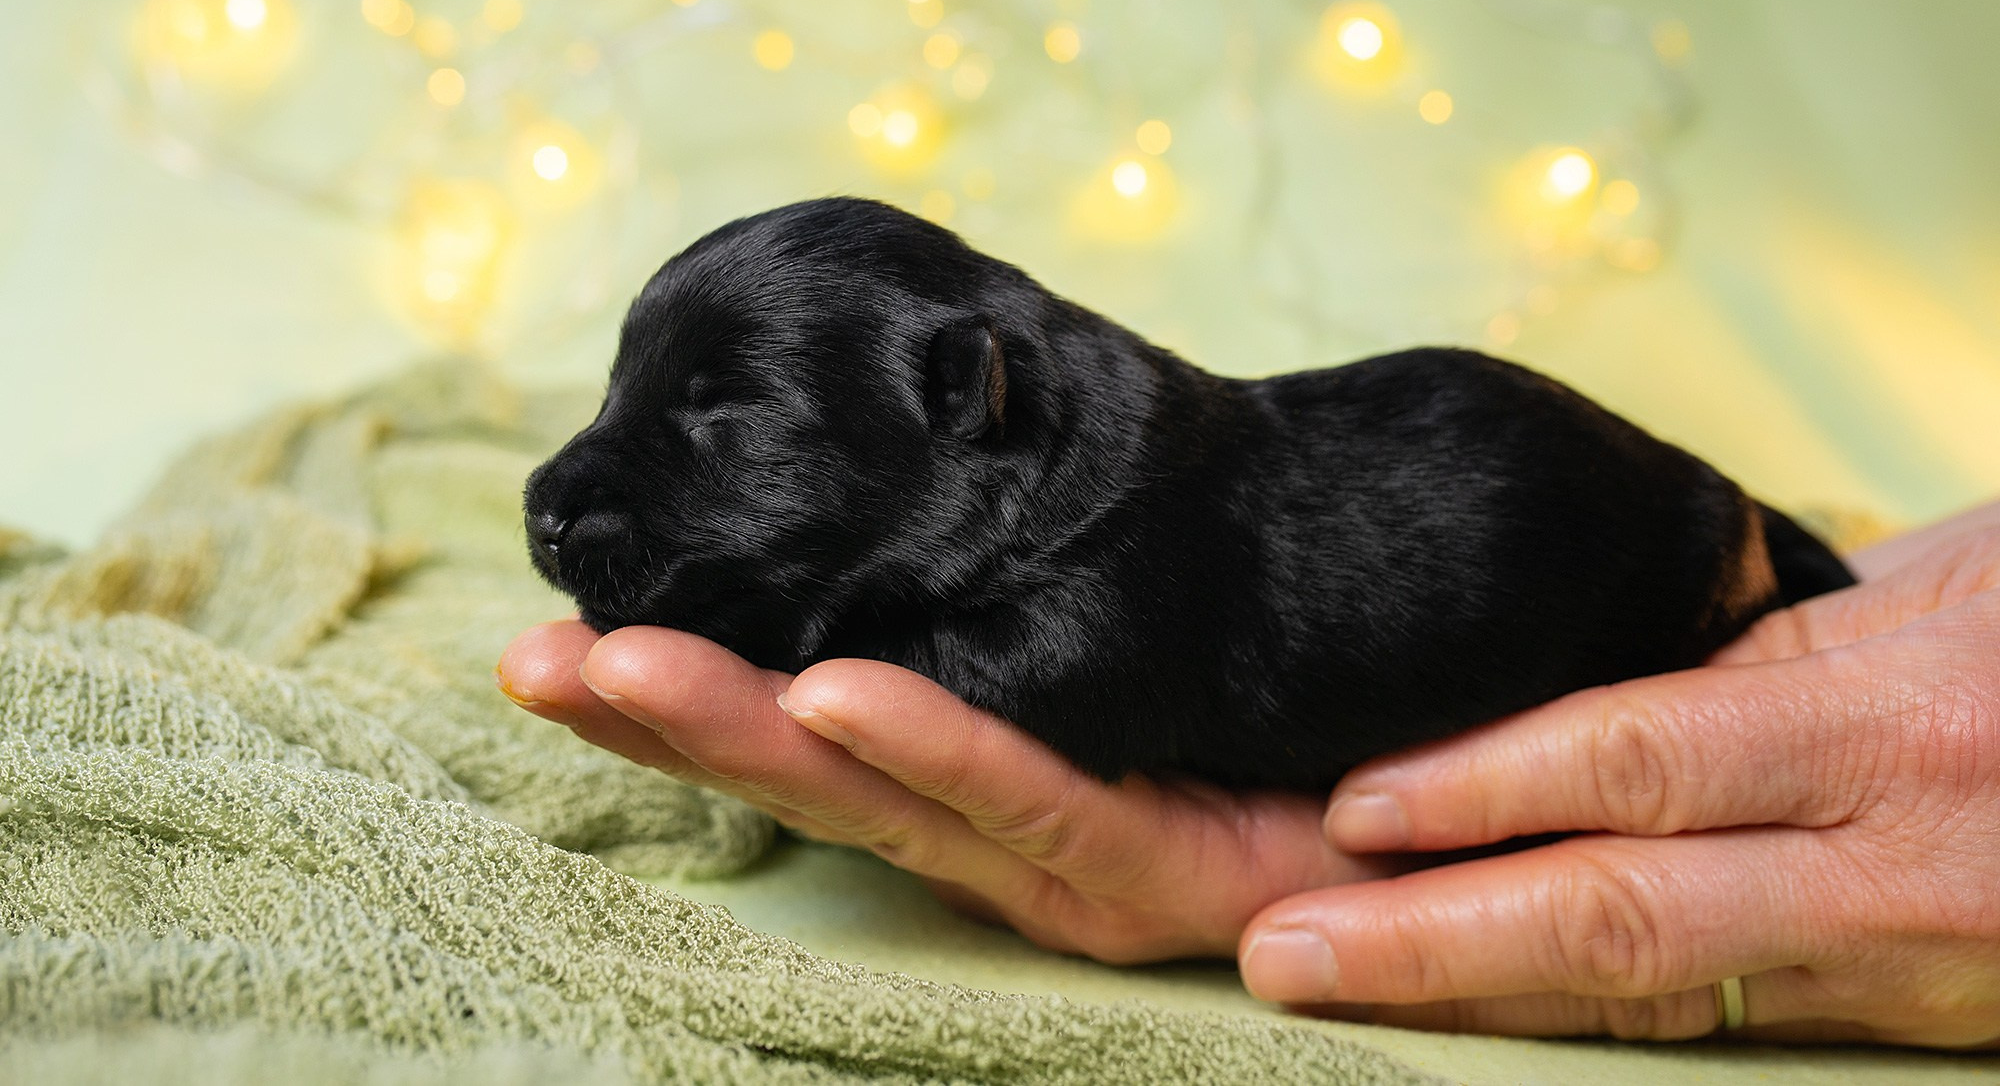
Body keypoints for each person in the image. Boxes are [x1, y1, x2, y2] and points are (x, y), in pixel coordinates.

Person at [497, 498, 2000, 1046]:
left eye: (717, 429)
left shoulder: (1115, 565)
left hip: (1625, 551)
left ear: (971, 399)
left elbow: (1043, 683)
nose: (580, 488)